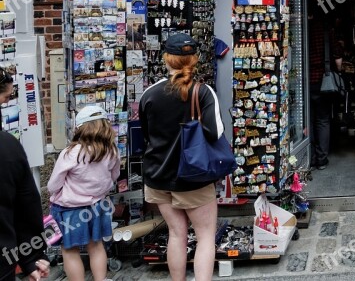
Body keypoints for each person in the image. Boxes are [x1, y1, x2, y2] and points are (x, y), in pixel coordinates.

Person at [139, 33, 223, 281]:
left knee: (176, 234)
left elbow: (146, 135)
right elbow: (216, 132)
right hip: (193, 176)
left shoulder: (150, 94)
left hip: (158, 176)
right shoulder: (203, 92)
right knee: (205, 236)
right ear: (194, 60)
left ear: (166, 58)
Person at [48, 105, 121, 281]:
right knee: (96, 246)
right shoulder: (111, 151)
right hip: (97, 207)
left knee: (69, 249)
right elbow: (114, 177)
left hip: (70, 210)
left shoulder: (71, 153)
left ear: (80, 127)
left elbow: (53, 185)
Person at [0, 68, 50, 281]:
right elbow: (25, 207)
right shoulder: (7, 148)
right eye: (5, 98)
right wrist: (31, 257)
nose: (5, 104)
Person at [307, 0, 343, 170]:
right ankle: (321, 159)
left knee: (308, 120)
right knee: (323, 120)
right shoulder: (327, 30)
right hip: (324, 81)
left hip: (305, 82)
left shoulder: (302, 28)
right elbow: (338, 58)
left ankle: (309, 157)